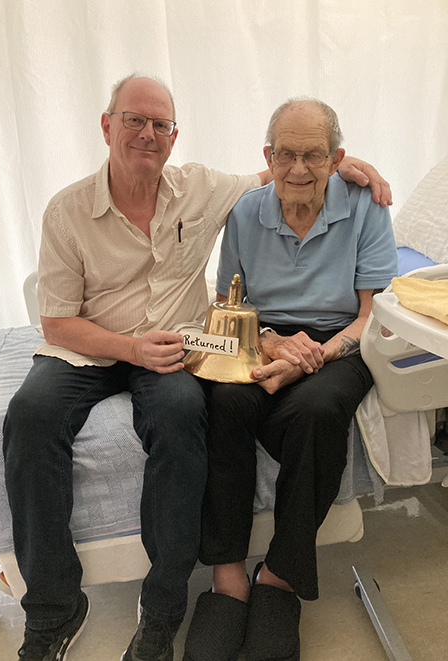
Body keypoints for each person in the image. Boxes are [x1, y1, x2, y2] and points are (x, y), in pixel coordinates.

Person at [2, 74, 392, 661]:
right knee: (35, 417)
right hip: (108, 347)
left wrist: (347, 166)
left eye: (161, 124)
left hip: (251, 347)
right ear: (107, 126)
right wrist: (255, 344)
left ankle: (208, 598)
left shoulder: (205, 189)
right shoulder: (70, 210)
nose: (147, 134)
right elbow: (59, 323)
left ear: (174, 136)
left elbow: (293, 178)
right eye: (134, 120)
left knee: (221, 409)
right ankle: (76, 603)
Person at [182, 99, 398, 661]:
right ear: (267, 157)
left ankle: (279, 574)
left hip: (338, 339)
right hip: (267, 333)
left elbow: (370, 316)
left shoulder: (366, 207)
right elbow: (235, 306)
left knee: (317, 411)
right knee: (225, 399)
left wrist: (315, 357)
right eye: (286, 154)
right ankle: (227, 576)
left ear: (337, 159)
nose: (298, 169)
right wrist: (275, 345)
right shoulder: (245, 212)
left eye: (313, 155)